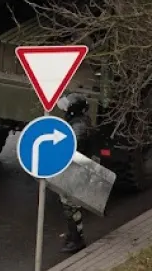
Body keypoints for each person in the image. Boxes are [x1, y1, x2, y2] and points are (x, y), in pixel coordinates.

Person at [56, 93, 94, 254]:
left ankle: (77, 239)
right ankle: (73, 234)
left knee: (71, 207)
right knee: (69, 206)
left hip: (75, 173)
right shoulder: (79, 122)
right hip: (74, 171)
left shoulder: (78, 128)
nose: (64, 109)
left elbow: (69, 149)